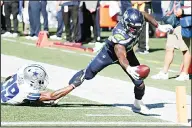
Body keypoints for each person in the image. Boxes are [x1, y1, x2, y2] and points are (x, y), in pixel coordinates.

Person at [49, 8, 172, 114]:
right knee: (87, 74)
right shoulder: (119, 35)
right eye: (133, 28)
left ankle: (137, 104)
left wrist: (158, 25)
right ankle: (63, 92)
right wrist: (129, 68)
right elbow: (121, 56)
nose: (135, 30)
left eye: (137, 27)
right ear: (126, 24)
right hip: (109, 53)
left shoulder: (137, 19)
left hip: (128, 51)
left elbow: (144, 14)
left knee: (139, 83)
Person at [151, 1, 191, 81]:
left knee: (185, 49)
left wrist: (183, 11)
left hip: (183, 22)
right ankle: (164, 72)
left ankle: (185, 73)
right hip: (172, 23)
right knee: (169, 48)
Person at [1, 64, 72, 106]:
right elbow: (52, 96)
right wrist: (73, 85)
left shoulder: (22, 72)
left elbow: (9, 78)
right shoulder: (27, 90)